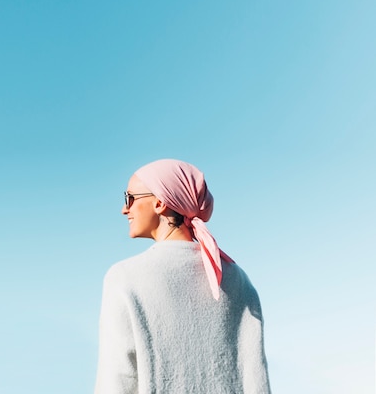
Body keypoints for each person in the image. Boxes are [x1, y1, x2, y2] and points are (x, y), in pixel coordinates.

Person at [94, 159, 271, 394]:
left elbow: (117, 379)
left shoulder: (125, 278)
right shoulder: (237, 278)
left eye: (130, 198)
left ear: (159, 202)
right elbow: (255, 376)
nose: (124, 209)